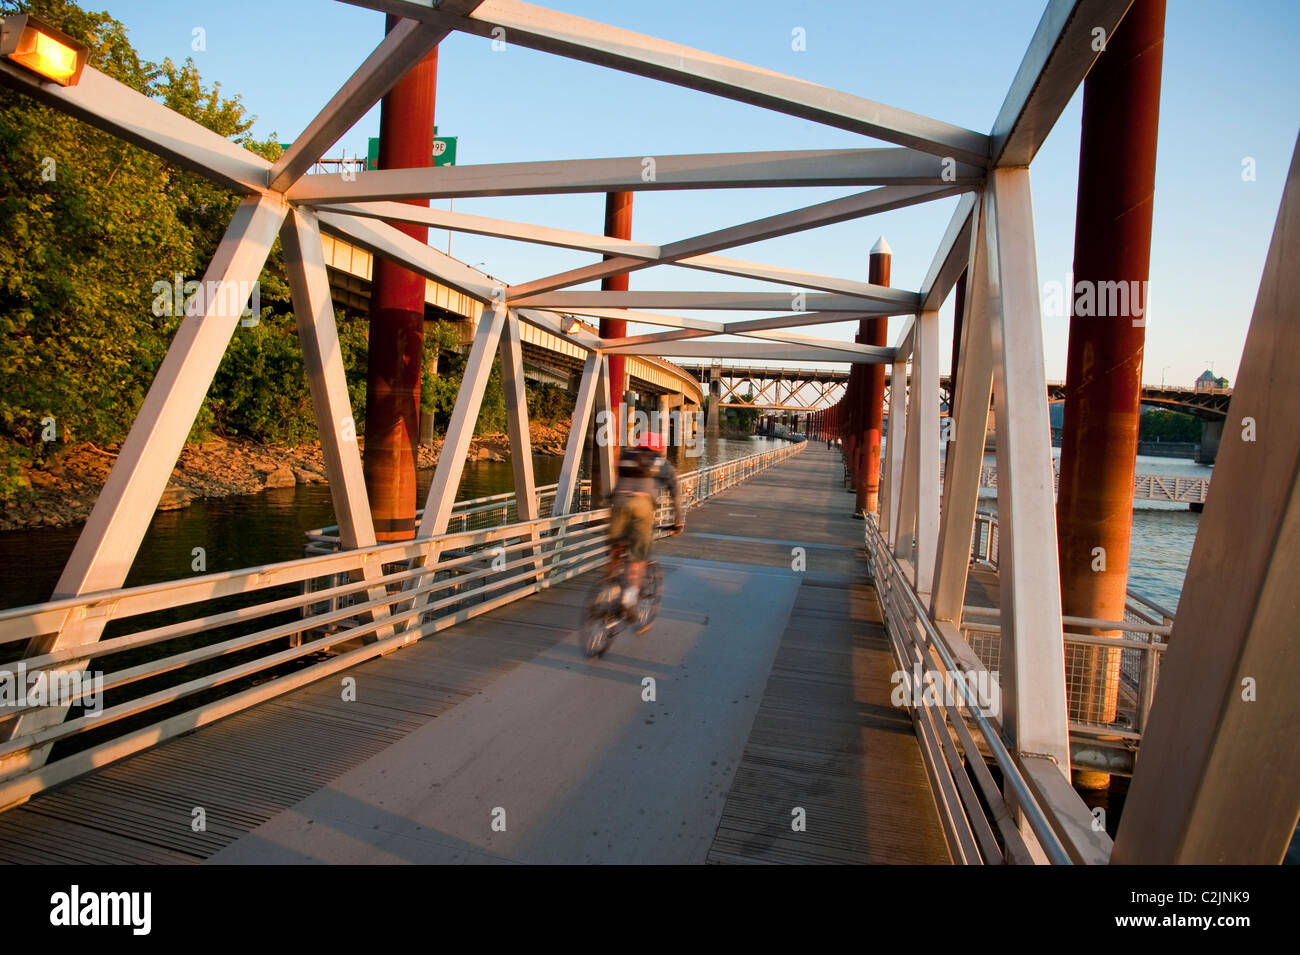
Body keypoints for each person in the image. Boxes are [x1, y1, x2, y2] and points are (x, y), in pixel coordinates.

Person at [607, 432, 684, 619]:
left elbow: (617, 483)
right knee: (637, 557)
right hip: (642, 507)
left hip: (619, 503)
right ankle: (628, 601)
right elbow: (675, 495)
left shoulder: (626, 455)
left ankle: (610, 589)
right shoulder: (662, 464)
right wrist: (678, 521)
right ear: (659, 448)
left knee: (615, 547)